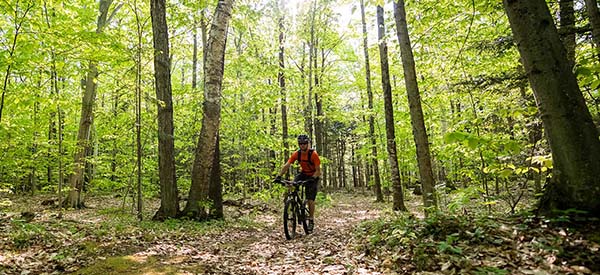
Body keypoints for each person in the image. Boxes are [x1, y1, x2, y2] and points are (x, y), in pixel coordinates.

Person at [275, 134, 321, 232]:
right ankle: (293, 203)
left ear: (308, 143)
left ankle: (311, 219)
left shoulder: (313, 154)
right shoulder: (297, 154)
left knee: (310, 199)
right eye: (301, 144)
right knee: (293, 184)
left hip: (313, 175)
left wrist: (313, 178)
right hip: (303, 173)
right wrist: (279, 176)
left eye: (305, 143)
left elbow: (318, 171)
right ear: (299, 144)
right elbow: (287, 165)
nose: (303, 145)